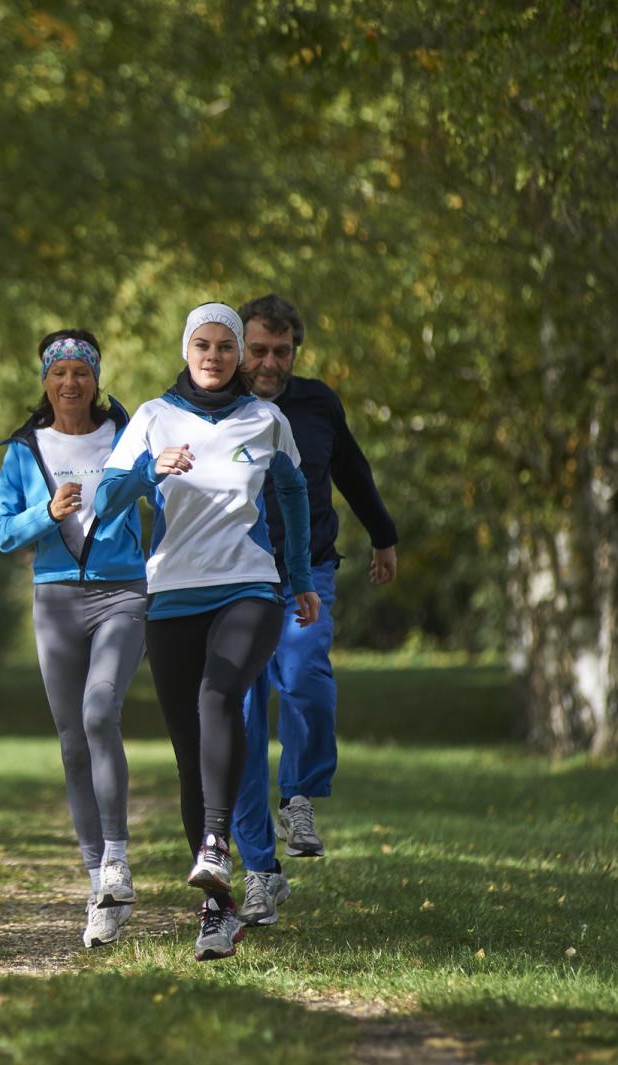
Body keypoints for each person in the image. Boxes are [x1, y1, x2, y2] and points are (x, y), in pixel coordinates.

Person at [94, 302, 320, 962]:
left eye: (226, 345)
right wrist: (148, 471)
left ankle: (217, 844)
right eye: (203, 343)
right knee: (190, 749)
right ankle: (217, 912)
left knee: (219, 694)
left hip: (249, 586)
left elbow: (296, 500)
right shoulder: (153, 417)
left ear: (239, 354)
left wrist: (298, 576)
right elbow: (107, 504)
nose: (215, 355)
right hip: (170, 596)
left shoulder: (266, 419)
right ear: (186, 348)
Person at [232, 294, 399, 927]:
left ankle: (298, 793)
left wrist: (383, 535)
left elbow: (353, 470)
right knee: (243, 722)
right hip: (235, 579)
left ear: (296, 352)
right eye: (259, 351)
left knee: (304, 674)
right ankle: (259, 872)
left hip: (309, 571)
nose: (269, 363)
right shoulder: (215, 403)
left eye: (281, 352)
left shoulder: (317, 403)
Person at [0, 329, 149, 950]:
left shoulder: (125, 433)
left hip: (121, 592)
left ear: (96, 379)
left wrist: (137, 481)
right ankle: (98, 888)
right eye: (59, 374)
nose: (71, 384)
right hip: (54, 598)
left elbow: (155, 492)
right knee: (72, 742)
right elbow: (2, 531)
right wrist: (45, 515)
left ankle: (117, 857)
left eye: (82, 372)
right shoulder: (25, 450)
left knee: (99, 712)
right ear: (46, 383)